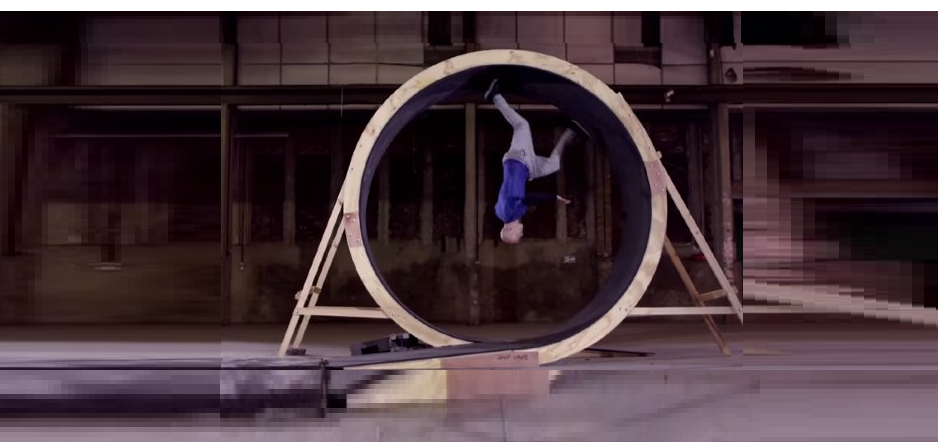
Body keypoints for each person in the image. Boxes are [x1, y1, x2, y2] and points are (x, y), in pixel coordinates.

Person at [485, 79, 590, 244]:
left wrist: (554, 198)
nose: (521, 234)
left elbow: (531, 198)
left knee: (522, 125)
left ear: (510, 229)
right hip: (527, 170)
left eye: (518, 235)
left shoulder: (513, 213)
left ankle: (494, 97)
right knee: (553, 165)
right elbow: (510, 194)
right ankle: (571, 131)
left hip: (518, 159)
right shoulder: (500, 213)